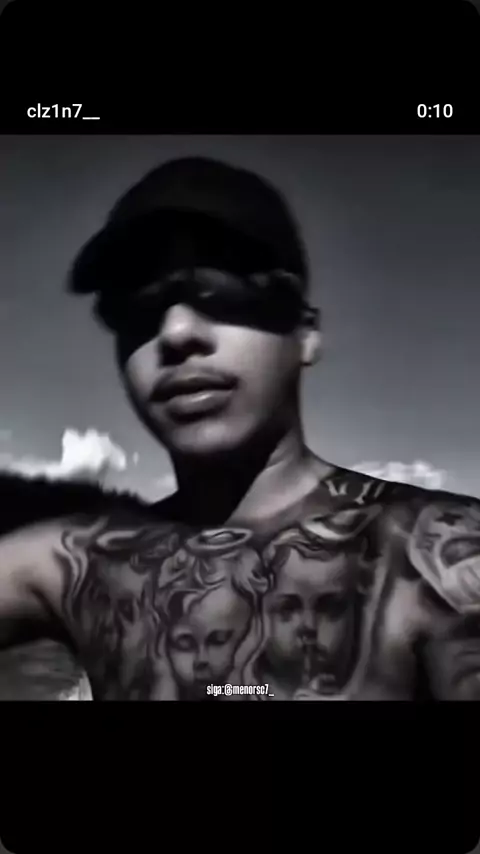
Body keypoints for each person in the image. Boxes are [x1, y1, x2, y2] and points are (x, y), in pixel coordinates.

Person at [1, 155, 479, 701]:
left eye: (223, 285)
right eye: (136, 305)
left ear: (305, 333)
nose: (176, 332)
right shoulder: (72, 564)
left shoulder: (441, 555)